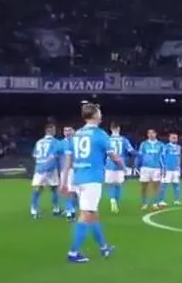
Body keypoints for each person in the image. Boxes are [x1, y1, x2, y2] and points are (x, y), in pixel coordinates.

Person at [62, 104, 125, 263]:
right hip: (92, 179)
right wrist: (123, 166)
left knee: (93, 214)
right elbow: (113, 156)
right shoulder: (100, 134)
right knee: (86, 215)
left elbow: (68, 159)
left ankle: (104, 247)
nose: (101, 115)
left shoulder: (76, 134)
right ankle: (73, 253)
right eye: (99, 112)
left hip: (78, 178)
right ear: (95, 115)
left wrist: (64, 181)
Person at [30, 124, 62, 218]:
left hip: (39, 168)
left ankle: (34, 210)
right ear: (52, 131)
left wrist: (40, 165)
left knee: (37, 189)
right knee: (54, 189)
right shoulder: (56, 142)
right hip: (51, 168)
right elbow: (56, 156)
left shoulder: (39, 142)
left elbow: (35, 156)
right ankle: (56, 209)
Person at [105, 123, 136, 214]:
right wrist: (140, 154)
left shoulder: (107, 139)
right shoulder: (124, 140)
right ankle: (116, 202)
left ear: (111, 129)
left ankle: (112, 200)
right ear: (119, 128)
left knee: (110, 184)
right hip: (120, 164)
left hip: (109, 164)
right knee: (118, 185)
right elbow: (131, 151)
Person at [136, 129, 164, 210]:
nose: (151, 135)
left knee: (156, 186)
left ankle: (155, 203)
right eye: (149, 133)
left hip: (156, 168)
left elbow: (163, 157)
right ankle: (144, 203)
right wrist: (137, 165)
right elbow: (140, 155)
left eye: (153, 133)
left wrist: (163, 168)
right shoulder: (143, 144)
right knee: (144, 186)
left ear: (156, 134)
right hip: (145, 167)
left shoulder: (161, 145)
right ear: (147, 134)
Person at [58, 125, 78, 221]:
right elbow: (54, 155)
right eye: (65, 130)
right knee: (68, 191)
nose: (67, 132)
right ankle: (70, 210)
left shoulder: (77, 142)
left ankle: (71, 209)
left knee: (75, 192)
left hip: (77, 170)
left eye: (69, 130)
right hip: (66, 170)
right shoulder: (60, 143)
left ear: (73, 131)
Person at [158, 132, 182, 206]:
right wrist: (163, 167)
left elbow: (179, 158)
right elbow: (161, 157)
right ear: (169, 138)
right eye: (173, 137)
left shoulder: (179, 147)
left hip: (175, 169)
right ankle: (161, 200)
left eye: (176, 138)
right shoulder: (166, 147)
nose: (175, 139)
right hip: (167, 169)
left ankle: (177, 200)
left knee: (176, 185)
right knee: (164, 185)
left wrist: (179, 167)